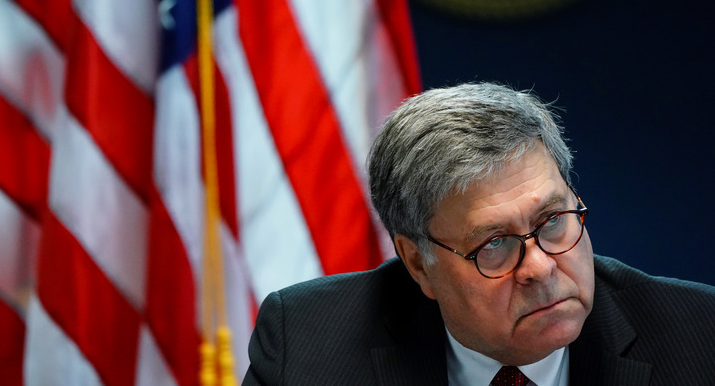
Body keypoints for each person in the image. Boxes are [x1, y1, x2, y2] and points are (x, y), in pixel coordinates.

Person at [242, 82, 715, 385]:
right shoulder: (306, 345)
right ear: (417, 263)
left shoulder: (698, 338)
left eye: (552, 222)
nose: (540, 266)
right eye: (494, 244)